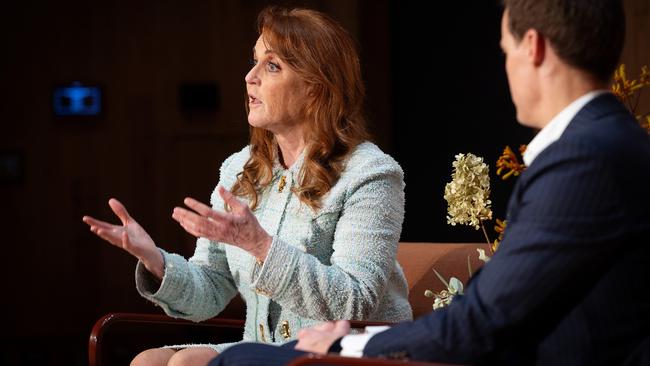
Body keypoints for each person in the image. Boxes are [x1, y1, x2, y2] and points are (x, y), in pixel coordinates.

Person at [209, 0, 650, 365]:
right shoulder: (608, 143)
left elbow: (485, 320)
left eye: (505, 50)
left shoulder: (584, 159)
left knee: (233, 362)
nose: (506, 68)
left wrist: (348, 345)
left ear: (532, 47)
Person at [82, 6, 412, 366]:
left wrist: (260, 245)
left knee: (185, 363)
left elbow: (356, 301)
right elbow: (209, 290)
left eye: (271, 66)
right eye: (254, 62)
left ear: (316, 88)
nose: (249, 77)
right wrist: (155, 260)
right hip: (267, 349)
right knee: (147, 361)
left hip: (347, 349)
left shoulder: (371, 173)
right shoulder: (241, 169)